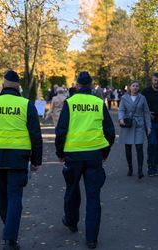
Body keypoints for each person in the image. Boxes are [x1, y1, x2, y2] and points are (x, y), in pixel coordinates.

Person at [0, 70, 43, 250]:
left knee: (3, 195)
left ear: (3, 84)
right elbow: (35, 135)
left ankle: (8, 229)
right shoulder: (26, 105)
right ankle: (10, 239)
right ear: (18, 86)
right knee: (14, 197)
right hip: (18, 158)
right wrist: (36, 160)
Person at [55, 71, 115, 249]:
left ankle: (72, 221)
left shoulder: (70, 103)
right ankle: (91, 239)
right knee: (94, 196)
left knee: (72, 190)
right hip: (94, 155)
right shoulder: (98, 103)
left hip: (73, 155)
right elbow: (110, 132)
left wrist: (60, 153)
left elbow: (61, 130)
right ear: (91, 84)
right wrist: (105, 151)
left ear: (78, 85)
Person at [119, 80, 151, 178]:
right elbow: (121, 110)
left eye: (137, 86)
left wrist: (148, 126)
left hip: (139, 125)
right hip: (128, 124)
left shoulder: (142, 98)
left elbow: (146, 112)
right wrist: (121, 119)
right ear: (130, 87)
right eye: (133, 86)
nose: (135, 87)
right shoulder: (124, 98)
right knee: (128, 147)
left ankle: (140, 170)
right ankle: (130, 168)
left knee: (139, 147)